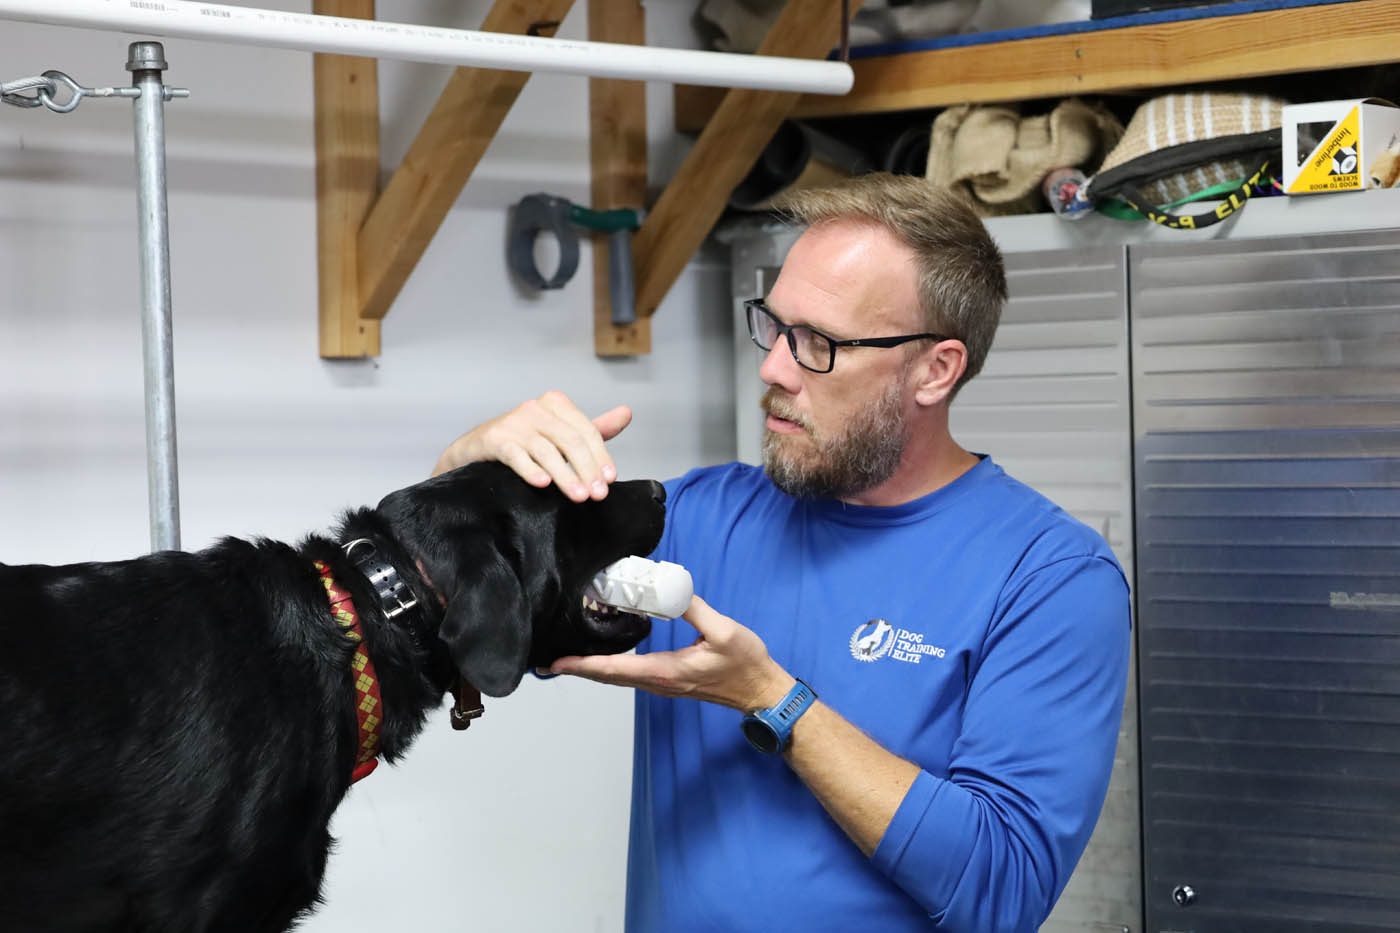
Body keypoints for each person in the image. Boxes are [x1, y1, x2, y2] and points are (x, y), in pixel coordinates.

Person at [435, 174, 1131, 932]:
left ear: (936, 369)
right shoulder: (698, 515)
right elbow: (456, 622)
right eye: (774, 325)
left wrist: (773, 698)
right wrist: (462, 474)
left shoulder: (1050, 577)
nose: (773, 368)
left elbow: (1002, 888)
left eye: (819, 344)